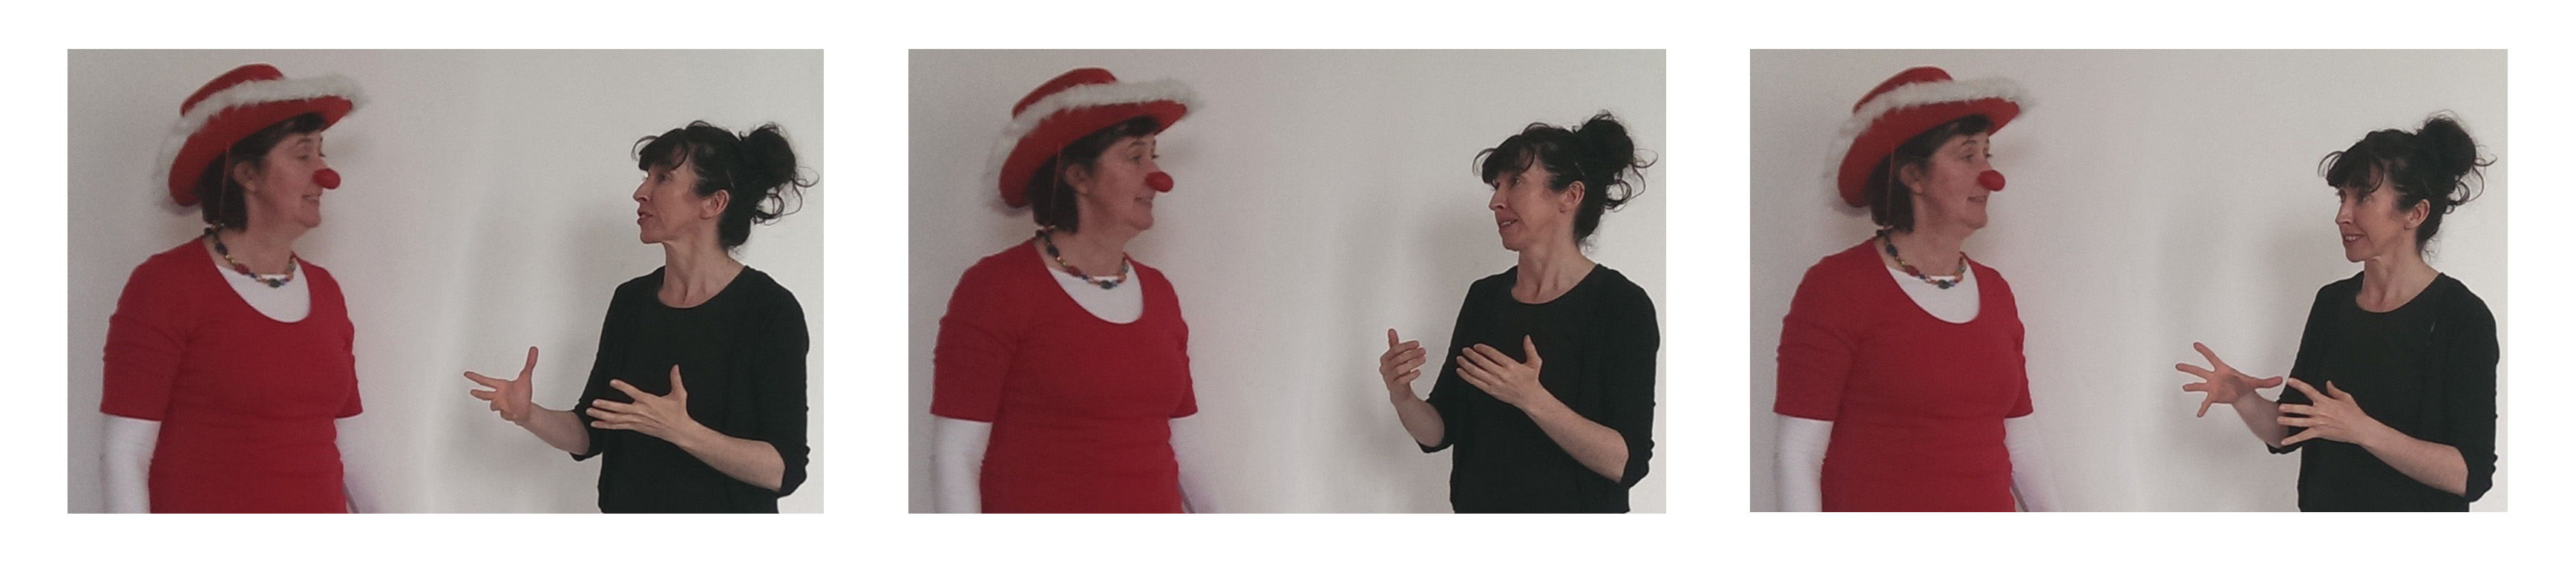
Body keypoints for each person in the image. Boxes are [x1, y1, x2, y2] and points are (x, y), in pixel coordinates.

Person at [466, 121, 814, 513]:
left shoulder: (770, 311)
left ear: (714, 203)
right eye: (647, 176)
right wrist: (528, 414)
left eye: (663, 178)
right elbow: (591, 432)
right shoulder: (631, 301)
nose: (640, 192)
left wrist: (683, 432)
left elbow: (783, 471)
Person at [1770, 66, 2061, 511]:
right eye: (1968, 156)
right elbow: (1799, 452)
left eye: (1988, 155)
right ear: (1913, 176)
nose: (1990, 176)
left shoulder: (1997, 291)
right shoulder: (1838, 287)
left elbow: (2021, 441)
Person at [2177, 114, 2498, 511]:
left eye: (2362, 197)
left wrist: (2362, 430)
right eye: (2342, 197)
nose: (2342, 215)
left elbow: (2469, 475)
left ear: (2415, 214)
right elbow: (2290, 430)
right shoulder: (2332, 303)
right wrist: (2244, 397)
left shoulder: (2462, 318)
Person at [928, 68, 1202, 513]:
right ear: (1078, 175)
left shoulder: (1160, 292)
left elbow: (1186, 441)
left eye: (1154, 156)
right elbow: (956, 455)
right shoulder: (997, 288)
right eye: (1135, 157)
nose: (1157, 177)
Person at [100, 63, 367, 512]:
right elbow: (126, 453)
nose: (325, 174)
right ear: (247, 175)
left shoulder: (326, 291)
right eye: (303, 155)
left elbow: (352, 444)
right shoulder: (167, 284)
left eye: (322, 154)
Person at [1378, 112, 1661, 513]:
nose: (1496, 201)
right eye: (1497, 185)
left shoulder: (1621, 306)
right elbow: (1440, 430)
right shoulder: (1484, 298)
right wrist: (1402, 396)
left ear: (1570, 196)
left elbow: (1625, 463)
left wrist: (1531, 398)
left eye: (1516, 182)